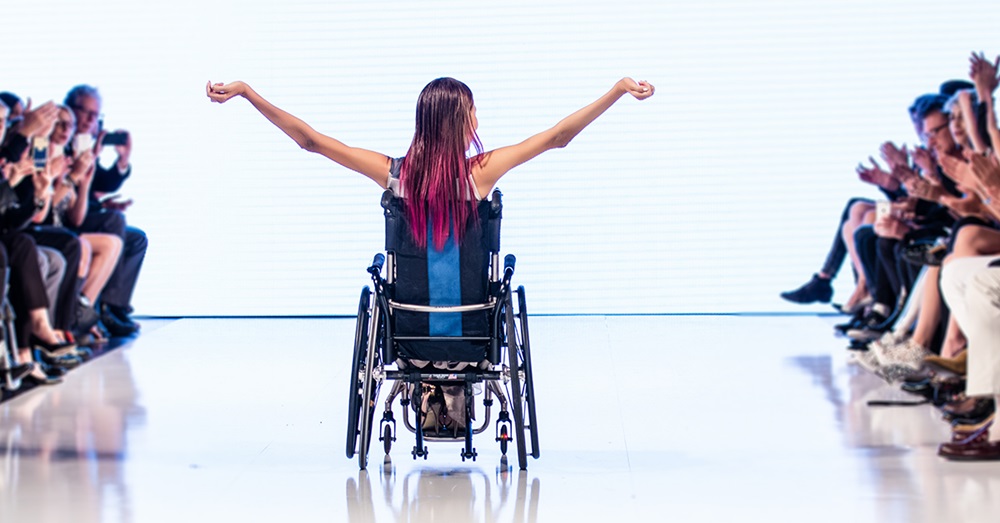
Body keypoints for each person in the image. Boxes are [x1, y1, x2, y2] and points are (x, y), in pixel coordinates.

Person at [205, 77, 654, 243]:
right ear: (460, 121)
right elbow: (558, 137)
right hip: (472, 313)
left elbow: (311, 141)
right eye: (474, 110)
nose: (480, 117)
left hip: (410, 312)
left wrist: (249, 93)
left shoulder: (393, 174)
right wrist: (615, 91)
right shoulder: (481, 173)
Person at [64, 85, 146, 336]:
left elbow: (99, 183)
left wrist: (122, 160)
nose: (91, 119)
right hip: (65, 217)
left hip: (85, 211)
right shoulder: (61, 140)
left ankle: (116, 305)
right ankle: (107, 309)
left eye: (95, 114)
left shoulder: (86, 143)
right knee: (114, 221)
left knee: (136, 238)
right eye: (85, 112)